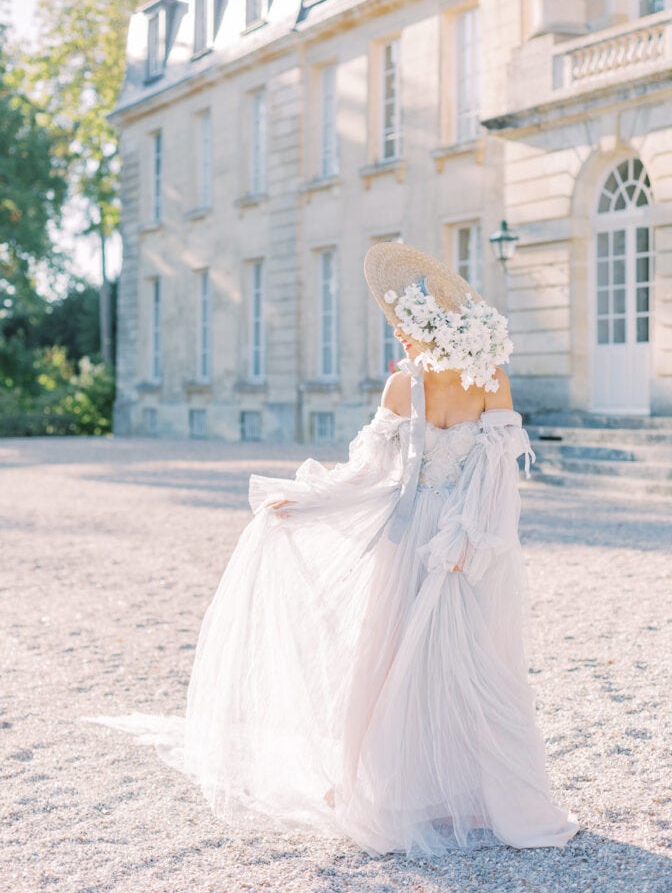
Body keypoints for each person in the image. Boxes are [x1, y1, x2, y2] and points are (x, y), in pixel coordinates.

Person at [91, 242, 578, 857]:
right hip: (453, 538)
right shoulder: (469, 380)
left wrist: (464, 536)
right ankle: (428, 789)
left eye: (404, 329)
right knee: (428, 660)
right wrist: (308, 502)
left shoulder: (420, 385)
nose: (398, 340)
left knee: (450, 663)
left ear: (432, 331)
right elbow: (458, 471)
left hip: (442, 536)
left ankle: (444, 791)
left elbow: (421, 473)